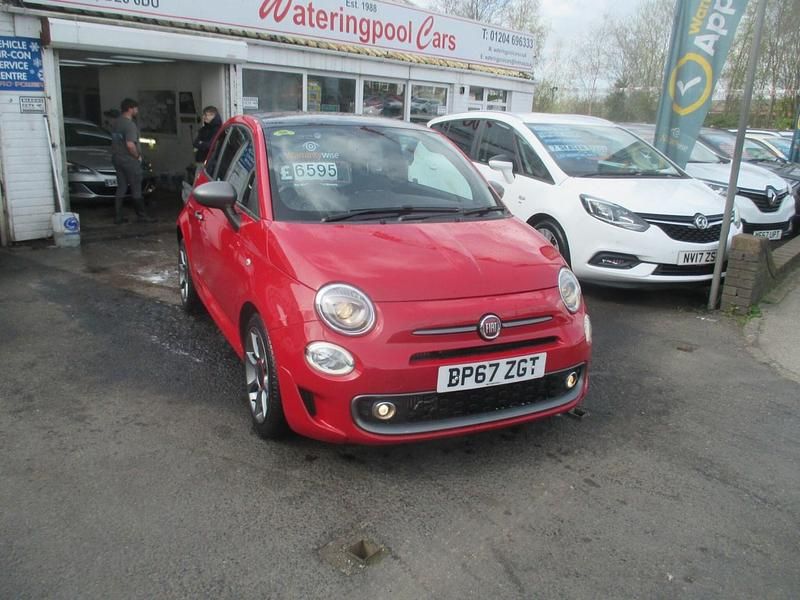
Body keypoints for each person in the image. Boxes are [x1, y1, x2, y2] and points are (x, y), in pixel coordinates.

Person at [111, 98, 154, 224]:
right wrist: (137, 156)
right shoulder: (130, 124)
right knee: (136, 187)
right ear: (130, 109)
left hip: (117, 158)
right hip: (129, 159)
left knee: (122, 187)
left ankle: (118, 217)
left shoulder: (116, 123)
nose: (137, 110)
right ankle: (142, 216)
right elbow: (130, 144)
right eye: (136, 108)